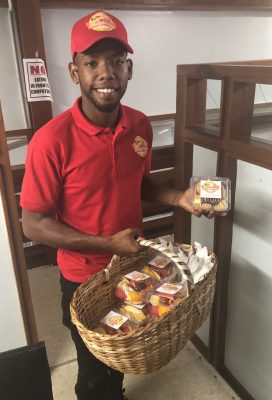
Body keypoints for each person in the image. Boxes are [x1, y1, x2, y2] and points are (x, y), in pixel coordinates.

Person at [20, 10, 222, 400]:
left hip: (133, 264)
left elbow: (139, 182)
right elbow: (34, 224)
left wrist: (178, 198)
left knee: (126, 345)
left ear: (129, 69)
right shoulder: (50, 141)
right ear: (74, 72)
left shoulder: (139, 125)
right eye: (91, 62)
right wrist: (107, 244)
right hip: (84, 277)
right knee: (95, 369)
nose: (105, 72)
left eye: (116, 61)